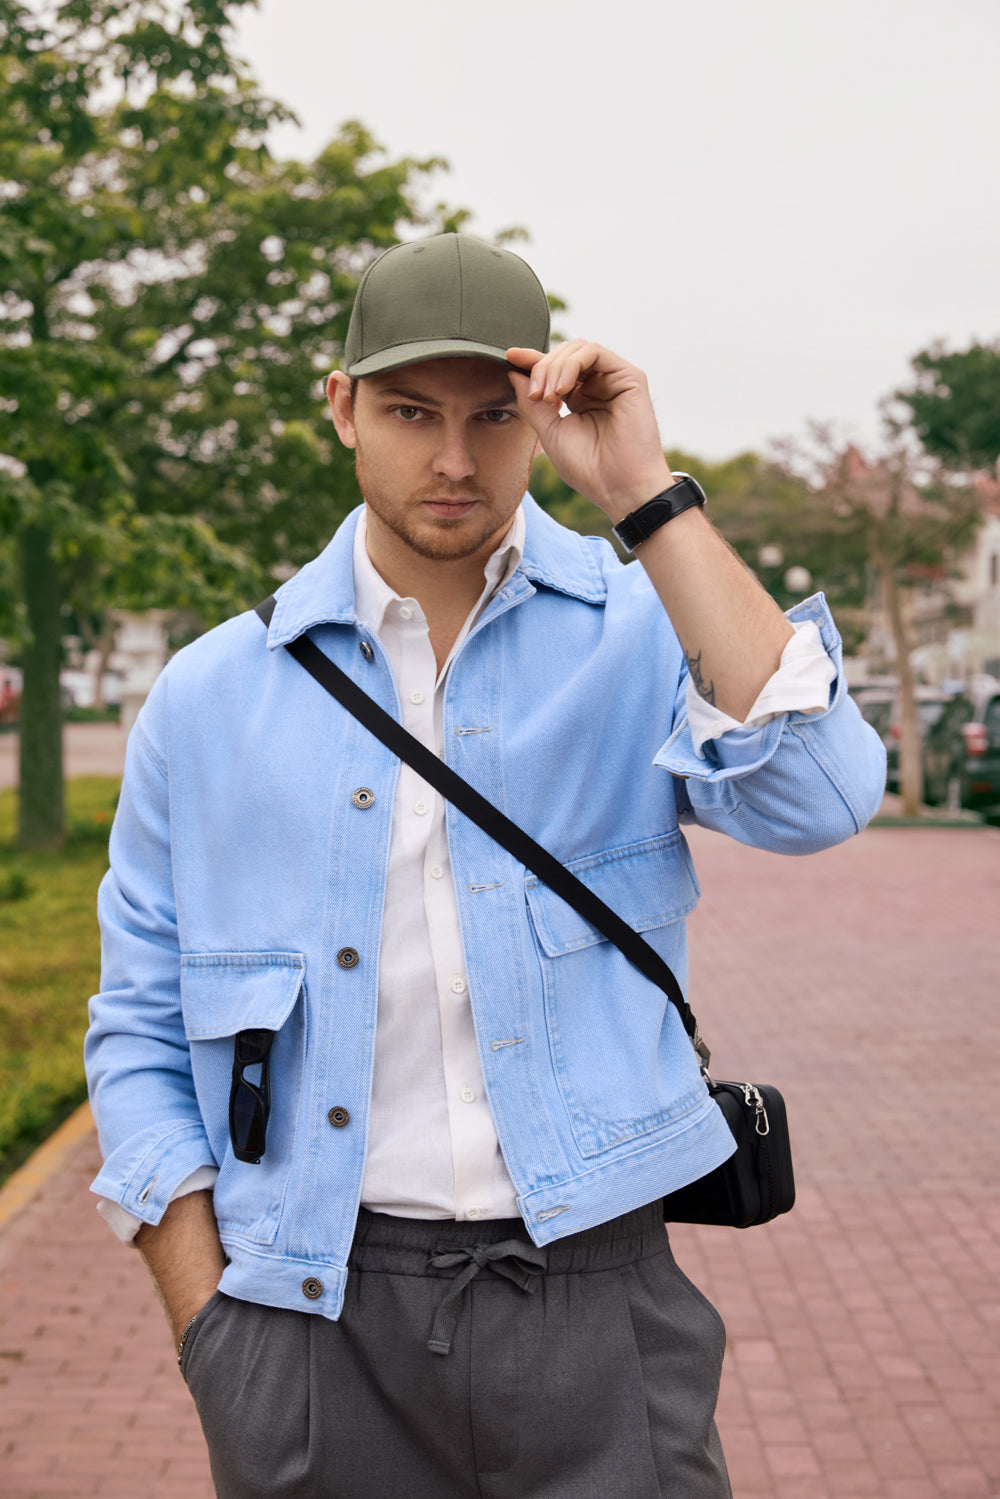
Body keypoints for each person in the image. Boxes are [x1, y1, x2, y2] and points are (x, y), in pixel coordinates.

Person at [85, 232, 886, 1499]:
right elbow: (136, 1023)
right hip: (310, 1313)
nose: (454, 460)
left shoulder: (642, 631)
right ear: (342, 408)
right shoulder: (211, 694)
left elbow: (822, 795)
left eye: (493, 417)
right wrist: (215, 1339)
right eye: (411, 412)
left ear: (541, 416)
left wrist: (645, 493)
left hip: (599, 1295)